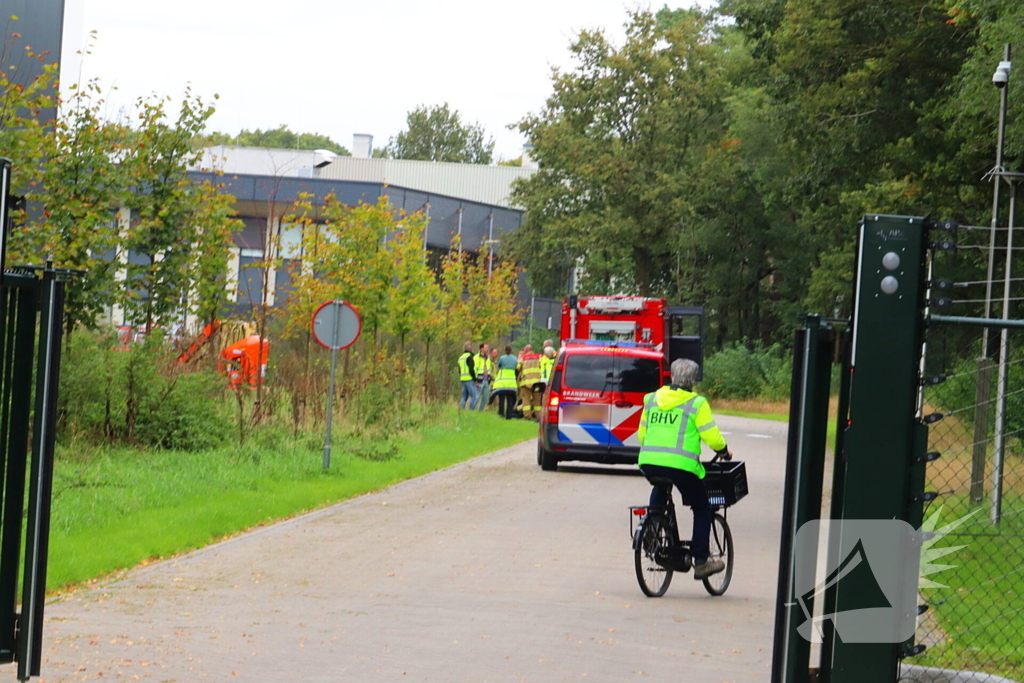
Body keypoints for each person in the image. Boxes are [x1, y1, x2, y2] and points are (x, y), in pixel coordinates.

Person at [637, 358, 731, 580]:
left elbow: (642, 434)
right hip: (681, 466)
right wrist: (724, 451)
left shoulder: (651, 399)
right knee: (701, 508)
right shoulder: (696, 403)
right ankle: (700, 561)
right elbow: (711, 435)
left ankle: (654, 527)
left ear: (671, 375)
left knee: (660, 486)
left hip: (649, 462)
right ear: (693, 380)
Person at [492, 345, 519, 419]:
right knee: (510, 399)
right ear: (511, 350)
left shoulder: (502, 358)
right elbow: (517, 367)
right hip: (511, 382)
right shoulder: (515, 358)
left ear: (505, 350)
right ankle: (509, 415)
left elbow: (498, 366)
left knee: (502, 399)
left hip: (502, 382)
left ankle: (501, 413)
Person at [517, 346, 544, 420]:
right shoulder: (539, 356)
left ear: (526, 350)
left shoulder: (523, 358)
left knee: (526, 400)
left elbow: (518, 367)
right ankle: (538, 416)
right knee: (537, 401)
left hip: (526, 382)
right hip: (537, 382)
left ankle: (527, 416)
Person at [457, 341, 478, 410]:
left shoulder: (461, 357)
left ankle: (461, 409)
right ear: (470, 348)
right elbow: (471, 369)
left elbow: (459, 370)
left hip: (463, 379)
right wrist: (475, 379)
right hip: (469, 379)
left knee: (464, 396)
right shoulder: (469, 357)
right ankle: (471, 410)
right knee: (474, 396)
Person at [475, 343, 493, 411]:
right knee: (477, 396)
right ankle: (472, 409)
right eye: (486, 348)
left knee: (485, 398)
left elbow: (489, 369)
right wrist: (475, 379)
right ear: (481, 348)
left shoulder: (488, 358)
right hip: (479, 379)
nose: (487, 349)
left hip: (486, 380)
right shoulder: (476, 357)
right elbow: (475, 369)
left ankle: (480, 411)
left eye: (487, 348)